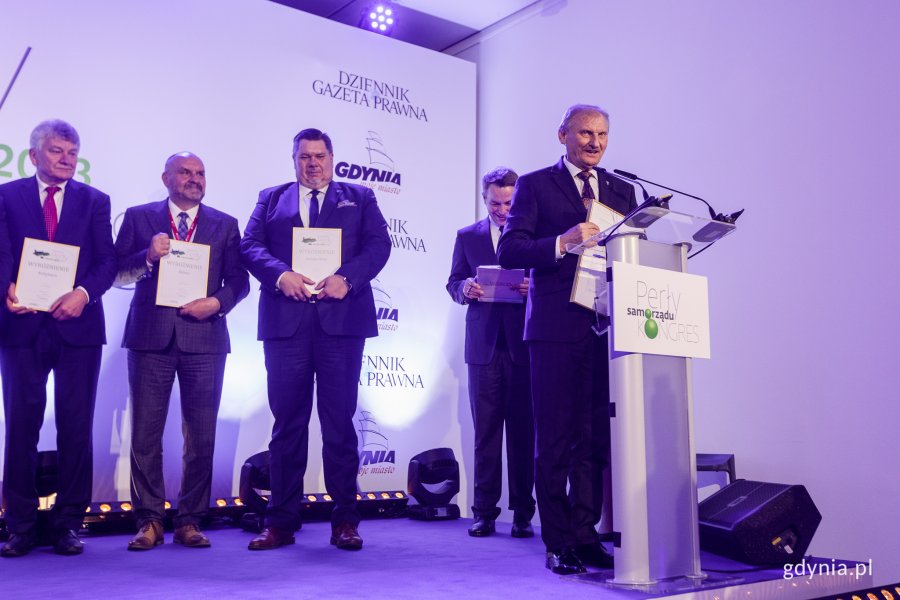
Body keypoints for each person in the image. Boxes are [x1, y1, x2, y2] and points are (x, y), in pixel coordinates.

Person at [497, 104, 637, 574]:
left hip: (604, 329)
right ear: (563, 135)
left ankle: (585, 533)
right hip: (554, 329)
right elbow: (510, 249)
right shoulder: (536, 185)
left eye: (602, 134)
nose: (595, 142)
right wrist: (562, 241)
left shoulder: (621, 190)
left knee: (594, 440)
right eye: (585, 133)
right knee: (556, 439)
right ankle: (557, 541)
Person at [241, 128, 390, 551]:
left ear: (331, 158)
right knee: (287, 425)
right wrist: (280, 275)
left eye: (320, 156)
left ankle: (345, 520)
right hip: (286, 325)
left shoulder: (360, 197)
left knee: (339, 424)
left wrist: (348, 278)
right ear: (294, 160)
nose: (313, 163)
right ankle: (281, 522)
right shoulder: (271, 198)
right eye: (304, 156)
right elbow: (249, 246)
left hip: (341, 325)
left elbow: (379, 245)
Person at [114, 152, 249, 551]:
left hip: (204, 337)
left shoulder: (225, 224)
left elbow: (240, 280)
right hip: (149, 338)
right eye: (186, 172)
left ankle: (190, 520)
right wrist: (146, 256)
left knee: (201, 436)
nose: (195, 179)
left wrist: (217, 302)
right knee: (145, 434)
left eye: (200, 173)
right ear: (166, 178)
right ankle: (149, 520)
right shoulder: (139, 217)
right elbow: (117, 272)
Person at [0, 119, 116, 557]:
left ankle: (69, 523)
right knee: (21, 426)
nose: (66, 159)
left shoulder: (95, 201)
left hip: (78, 328)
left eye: (72, 152)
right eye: (56, 151)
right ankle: (20, 525)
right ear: (34, 155)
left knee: (76, 426)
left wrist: (82, 294)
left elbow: (107, 262)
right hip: (22, 325)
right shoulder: (6, 196)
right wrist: (7, 288)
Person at [446, 167, 535, 538]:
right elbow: (453, 283)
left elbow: (551, 279)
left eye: (508, 203)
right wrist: (465, 288)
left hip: (523, 346)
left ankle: (523, 515)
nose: (502, 210)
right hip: (482, 348)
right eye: (495, 203)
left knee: (523, 433)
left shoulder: (532, 236)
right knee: (485, 434)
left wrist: (534, 286)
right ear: (484, 199)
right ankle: (483, 512)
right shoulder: (467, 236)